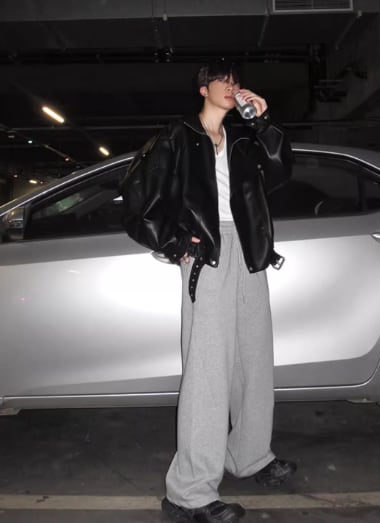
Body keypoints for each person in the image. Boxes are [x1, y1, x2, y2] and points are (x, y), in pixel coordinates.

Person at [121, 60, 296, 523]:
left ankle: (249, 455)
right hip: (208, 253)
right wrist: (175, 242)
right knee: (208, 371)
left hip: (250, 250)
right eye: (223, 81)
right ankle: (189, 493)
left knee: (254, 360)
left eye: (237, 82)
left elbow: (281, 172)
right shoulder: (178, 137)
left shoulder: (242, 137)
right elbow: (137, 197)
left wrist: (264, 123)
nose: (232, 87)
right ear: (203, 88)